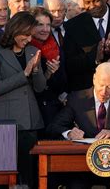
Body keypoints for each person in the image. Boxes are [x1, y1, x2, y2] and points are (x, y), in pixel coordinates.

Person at [0, 11, 45, 188]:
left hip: (29, 122)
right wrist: (24, 73)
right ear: (15, 30)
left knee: (28, 175)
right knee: (1, 176)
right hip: (3, 121)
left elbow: (40, 87)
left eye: (31, 36)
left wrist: (35, 71)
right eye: (25, 35)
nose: (28, 39)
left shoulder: (34, 51)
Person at [29, 7, 67, 138]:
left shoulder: (56, 47)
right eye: (40, 25)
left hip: (53, 109)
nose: (45, 29)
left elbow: (62, 81)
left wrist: (54, 74)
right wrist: (47, 74)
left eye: (48, 25)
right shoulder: (25, 48)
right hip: (33, 110)